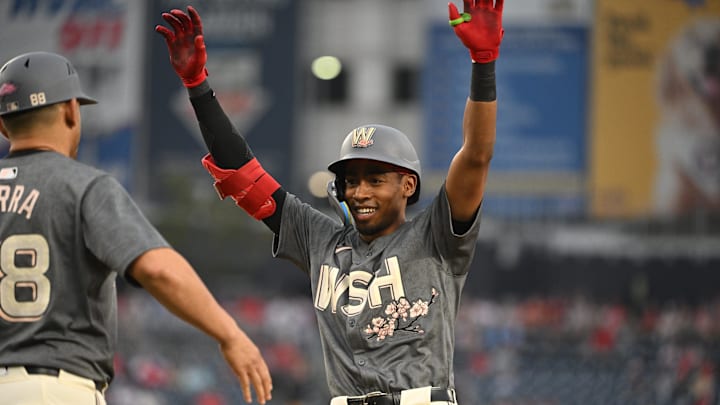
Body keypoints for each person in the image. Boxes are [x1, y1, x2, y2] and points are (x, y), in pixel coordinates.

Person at [155, 1, 503, 403]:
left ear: (408, 185)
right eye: (351, 180)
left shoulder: (437, 235)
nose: (359, 192)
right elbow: (243, 174)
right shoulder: (320, 239)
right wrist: (198, 85)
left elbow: (476, 154)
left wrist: (483, 62)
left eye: (375, 179)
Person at [0, 51, 272, 405]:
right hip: (51, 388)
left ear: (3, 125)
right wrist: (230, 334)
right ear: (70, 110)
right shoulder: (83, 186)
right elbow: (159, 271)